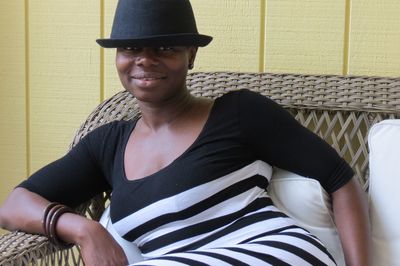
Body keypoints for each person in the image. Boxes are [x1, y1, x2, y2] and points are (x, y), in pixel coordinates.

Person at [0, 0, 370, 265]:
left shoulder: (239, 113)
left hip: (275, 253)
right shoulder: (106, 145)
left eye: (165, 47)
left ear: (191, 54)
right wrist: (86, 230)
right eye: (130, 47)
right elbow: (14, 205)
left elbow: (339, 178)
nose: (145, 59)